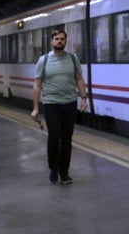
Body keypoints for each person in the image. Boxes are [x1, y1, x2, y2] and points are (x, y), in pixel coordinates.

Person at [31, 28, 88, 185]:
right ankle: (53, 168)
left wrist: (83, 98)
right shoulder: (44, 60)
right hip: (51, 103)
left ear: (65, 41)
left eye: (62, 39)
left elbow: (79, 79)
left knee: (67, 139)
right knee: (54, 136)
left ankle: (64, 172)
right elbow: (37, 85)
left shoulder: (72, 58)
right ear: (51, 41)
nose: (59, 41)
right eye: (56, 39)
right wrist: (35, 108)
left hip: (69, 103)